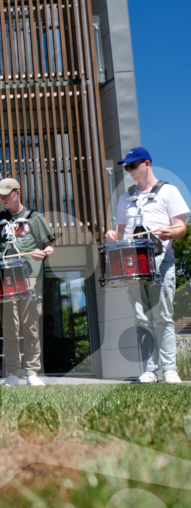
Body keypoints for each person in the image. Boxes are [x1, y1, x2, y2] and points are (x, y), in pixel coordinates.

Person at [105, 147, 188, 383]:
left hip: (161, 261)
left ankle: (169, 369)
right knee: (141, 319)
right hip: (132, 264)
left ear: (147, 164)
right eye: (127, 167)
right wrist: (111, 237)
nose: (129, 170)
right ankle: (149, 370)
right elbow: (120, 233)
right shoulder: (125, 198)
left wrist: (168, 232)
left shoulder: (168, 191)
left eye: (133, 165)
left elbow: (181, 227)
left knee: (163, 315)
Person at [0, 178, 55, 386]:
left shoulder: (34, 218)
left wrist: (44, 253)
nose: (3, 198)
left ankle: (32, 372)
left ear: (18, 192)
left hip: (30, 275)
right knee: (10, 327)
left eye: (6, 193)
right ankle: (12, 373)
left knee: (30, 325)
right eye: (0, 195)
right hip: (6, 277)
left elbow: (49, 246)